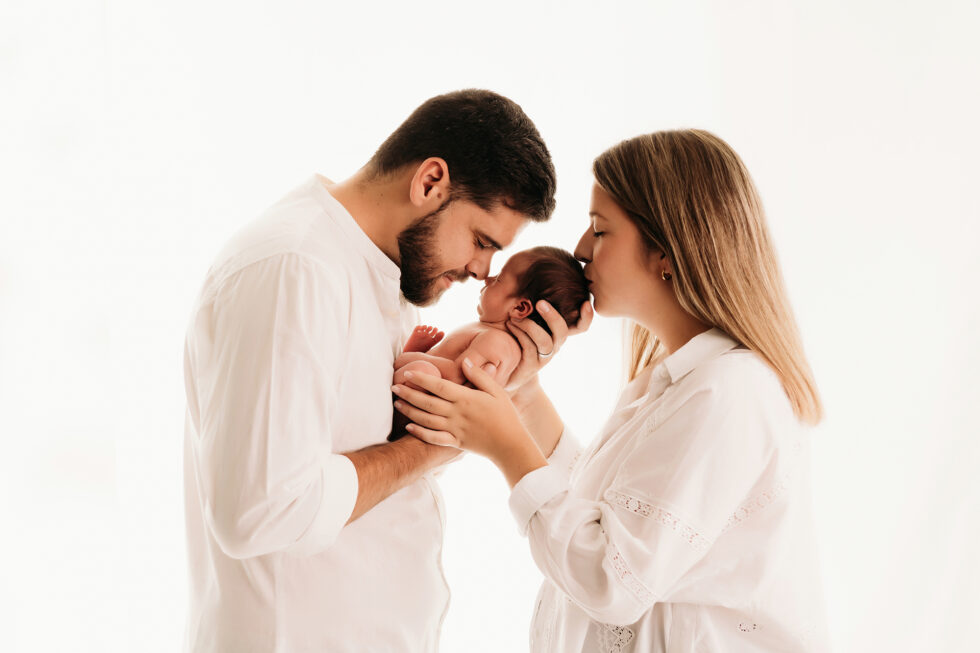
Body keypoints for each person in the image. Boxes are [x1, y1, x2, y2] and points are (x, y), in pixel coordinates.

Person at [181, 89, 591, 652]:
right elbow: (260, 508)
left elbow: (371, 458)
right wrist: (436, 448)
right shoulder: (296, 268)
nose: (481, 270)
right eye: (481, 240)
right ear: (430, 182)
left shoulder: (381, 274)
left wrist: (513, 374)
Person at [393, 130, 829, 651]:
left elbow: (613, 579)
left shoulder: (729, 392)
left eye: (600, 230)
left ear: (666, 252)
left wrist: (507, 447)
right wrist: (525, 394)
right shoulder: (673, 382)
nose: (578, 249)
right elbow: (607, 513)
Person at [388, 246, 589, 441]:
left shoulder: (497, 342)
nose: (488, 278)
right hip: (423, 405)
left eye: (499, 278)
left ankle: (395, 428)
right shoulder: (488, 331)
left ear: (520, 307)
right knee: (422, 369)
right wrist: (422, 348)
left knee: (423, 370)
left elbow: (458, 375)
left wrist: (412, 357)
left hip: (428, 416)